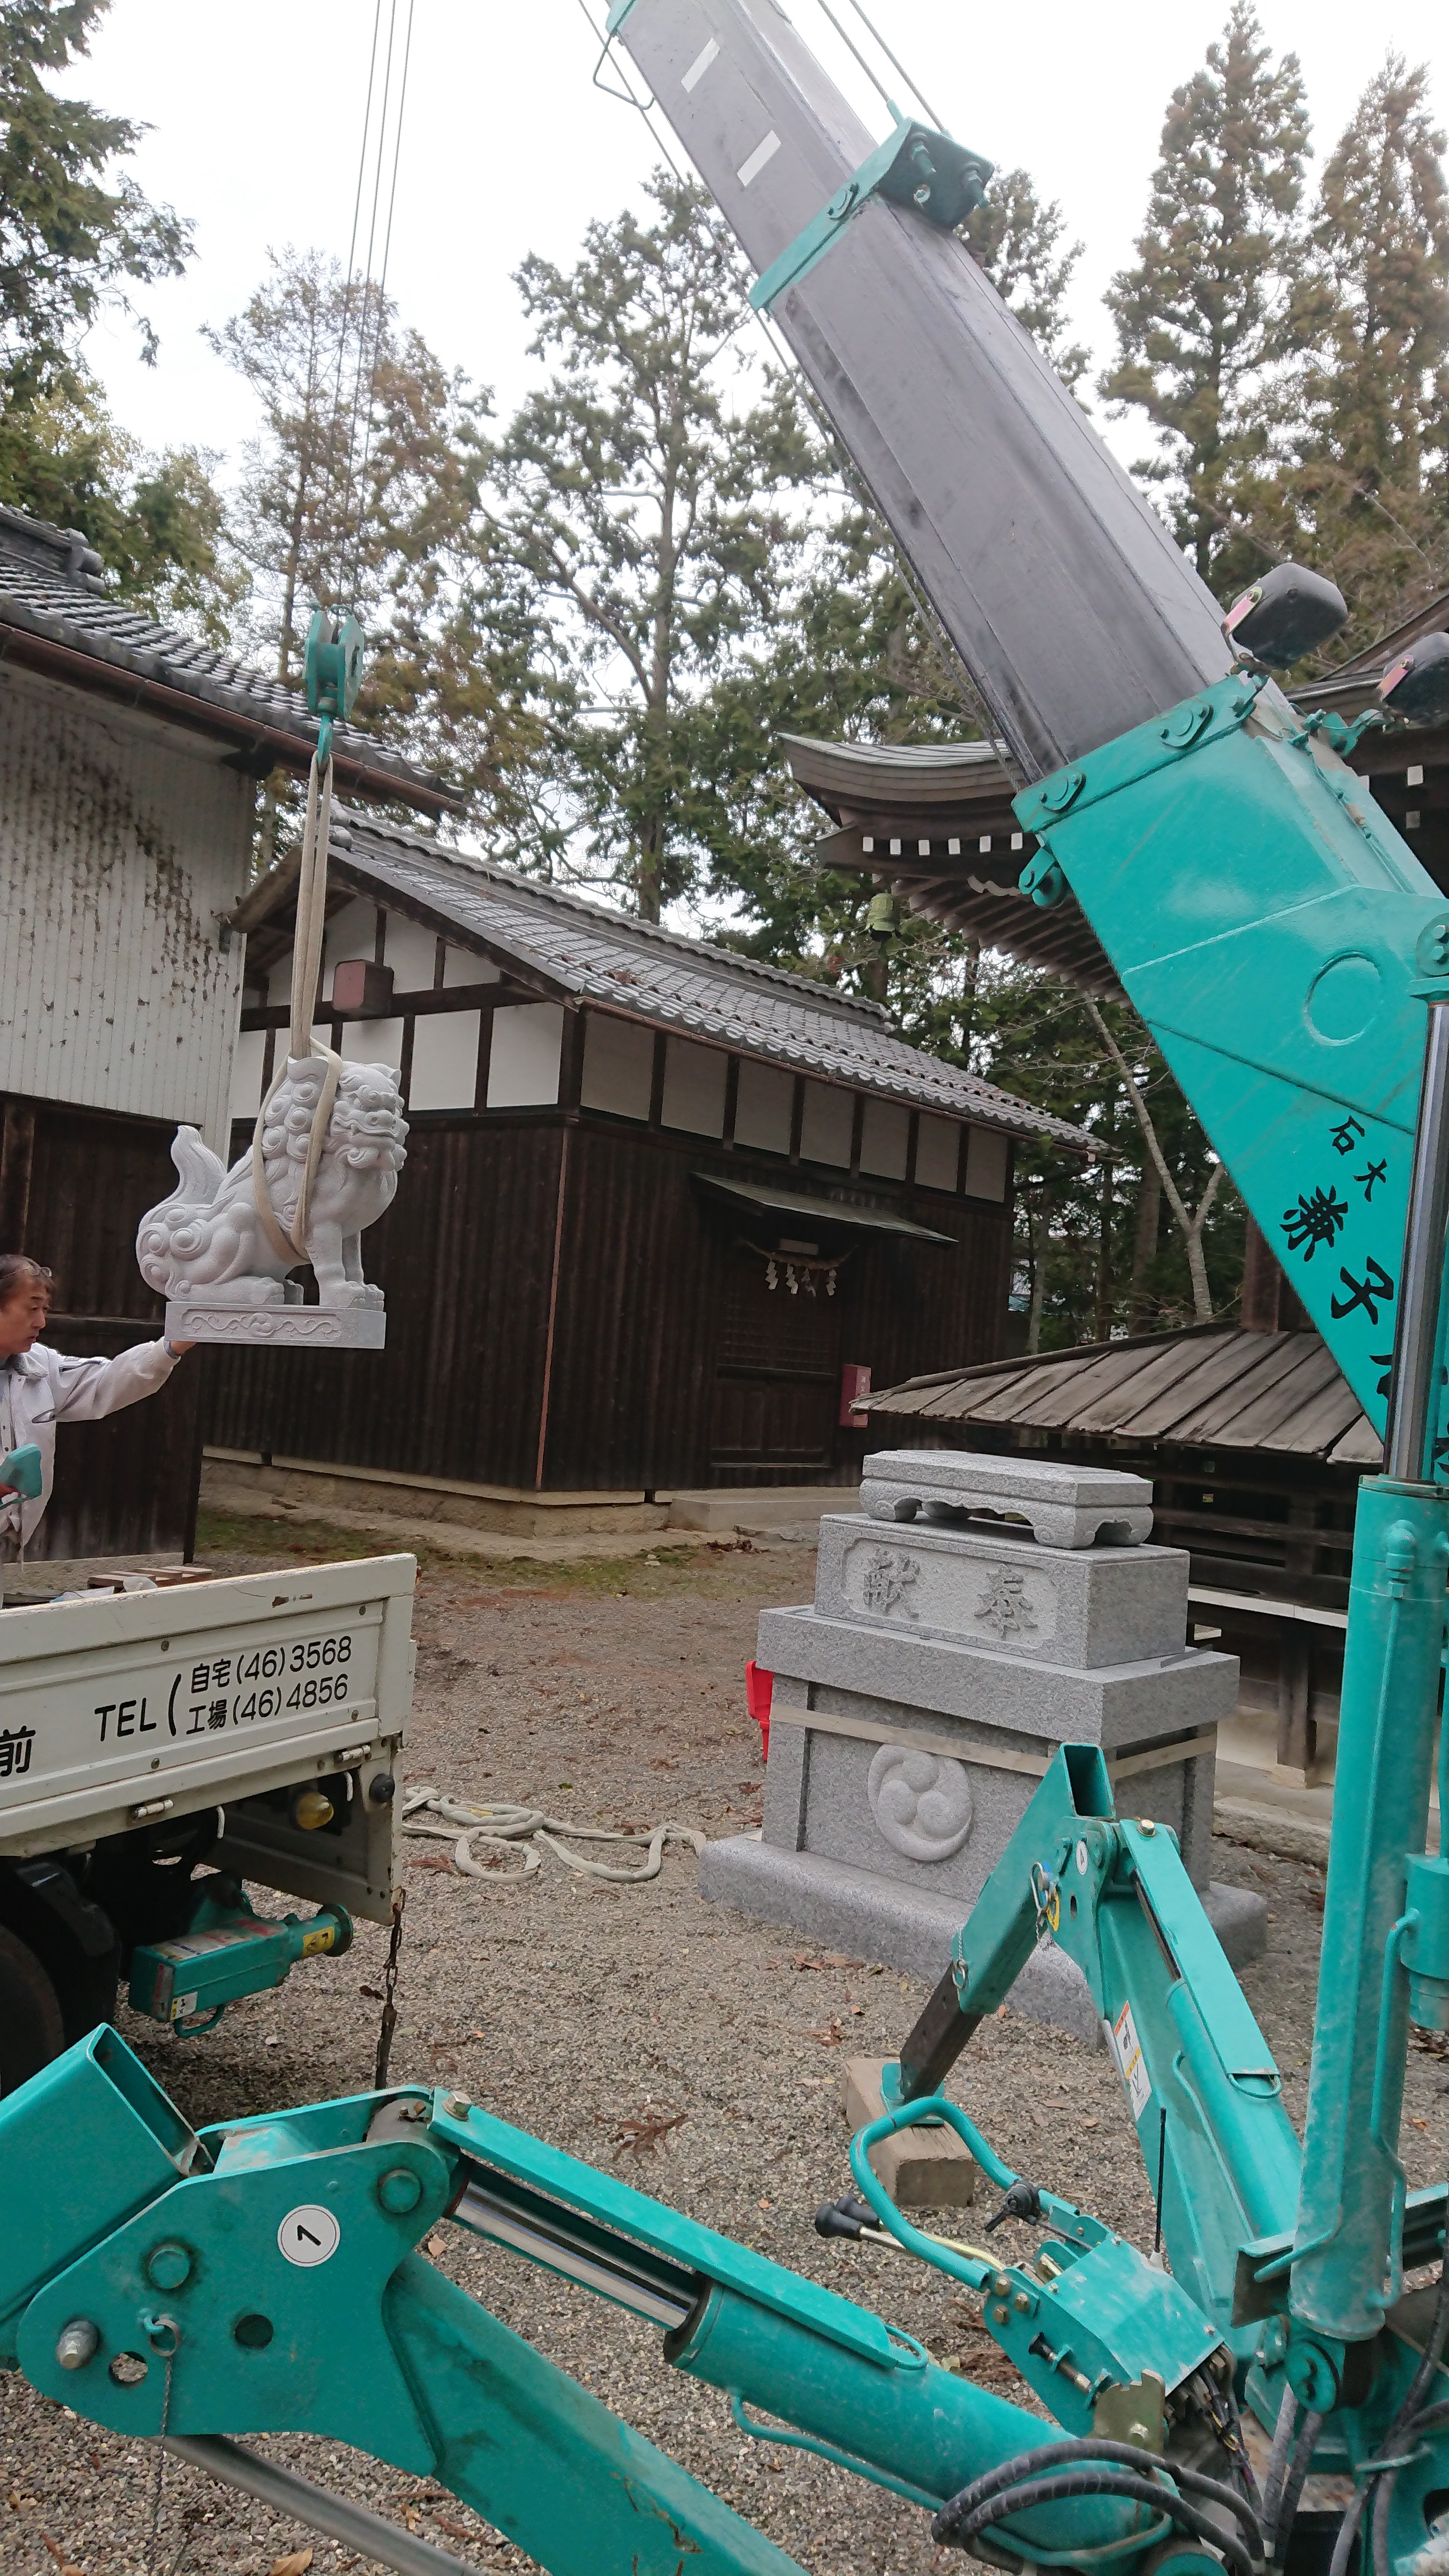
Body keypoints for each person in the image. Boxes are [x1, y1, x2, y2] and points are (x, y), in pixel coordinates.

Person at [0, 1254, 193, 1600]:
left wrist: (171, 1347)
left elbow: (103, 1383)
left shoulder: (39, 1366)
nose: (41, 1322)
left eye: (44, 1309)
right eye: (32, 1309)